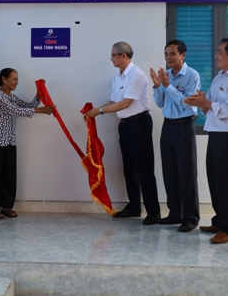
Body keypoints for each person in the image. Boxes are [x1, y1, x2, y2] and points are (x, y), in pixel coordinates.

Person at [83, 41, 161, 225]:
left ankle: (153, 212)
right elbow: (113, 101)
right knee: (129, 167)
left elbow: (126, 103)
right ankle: (134, 207)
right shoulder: (117, 76)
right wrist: (95, 110)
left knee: (144, 168)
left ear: (123, 56)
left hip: (139, 124)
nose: (111, 59)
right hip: (125, 125)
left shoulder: (137, 75)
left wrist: (100, 112)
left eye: (113, 55)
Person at [185, 37, 228, 244]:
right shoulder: (219, 77)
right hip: (215, 135)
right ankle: (219, 221)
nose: (216, 55)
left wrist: (208, 103)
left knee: (227, 185)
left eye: (220, 52)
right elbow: (211, 107)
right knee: (215, 181)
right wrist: (201, 103)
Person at [0, 68, 54, 219]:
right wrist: (41, 111)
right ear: (4, 79)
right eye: (14, 79)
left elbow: (28, 106)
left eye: (17, 79)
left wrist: (40, 91)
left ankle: (6, 206)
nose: (16, 82)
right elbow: (16, 111)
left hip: (9, 141)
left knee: (9, 175)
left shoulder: (12, 97)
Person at [149, 40, 201, 232]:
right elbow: (161, 103)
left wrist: (168, 86)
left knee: (186, 173)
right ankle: (175, 213)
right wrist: (157, 87)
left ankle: (190, 217)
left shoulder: (192, 75)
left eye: (172, 54)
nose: (168, 58)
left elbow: (187, 102)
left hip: (184, 127)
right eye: (166, 54)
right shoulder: (167, 75)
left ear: (183, 55)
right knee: (169, 172)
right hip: (168, 127)